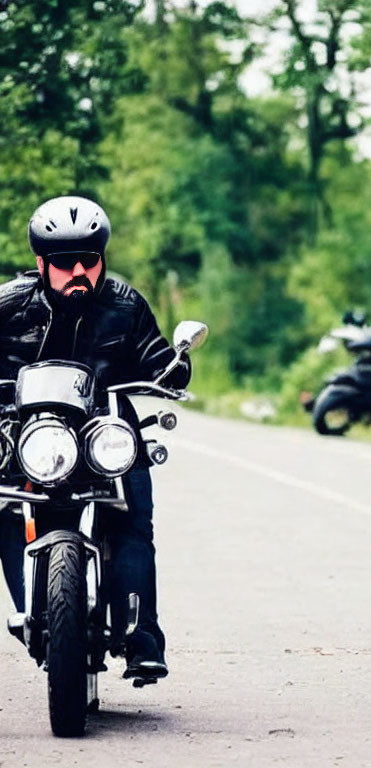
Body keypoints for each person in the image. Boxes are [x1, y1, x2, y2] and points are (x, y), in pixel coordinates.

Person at [0, 195, 190, 680]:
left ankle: (143, 636)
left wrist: (175, 367)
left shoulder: (125, 305)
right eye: (65, 262)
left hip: (107, 437)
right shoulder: (9, 306)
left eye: (89, 258)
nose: (79, 271)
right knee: (2, 504)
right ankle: (28, 611)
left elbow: (156, 357)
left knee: (133, 521)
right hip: (33, 440)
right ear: (42, 263)